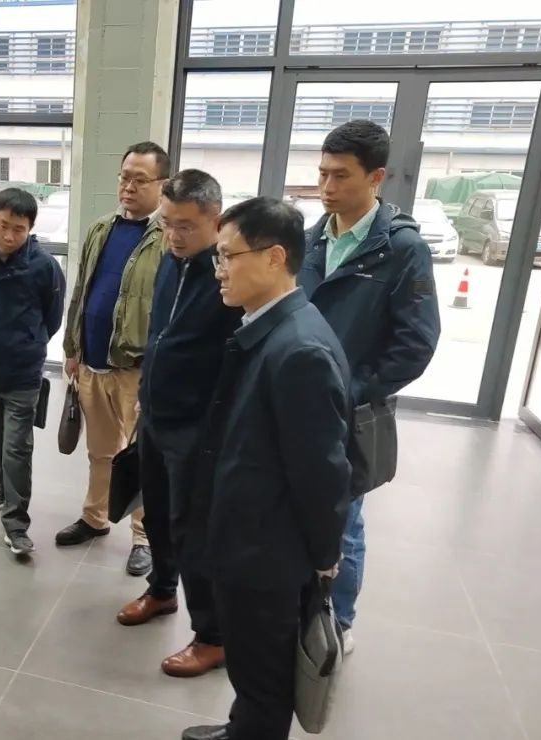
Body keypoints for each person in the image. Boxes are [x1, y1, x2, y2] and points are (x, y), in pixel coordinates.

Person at [180, 197, 352, 740]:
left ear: (275, 257)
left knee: (264, 672)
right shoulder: (270, 326)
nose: (219, 270)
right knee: (251, 661)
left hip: (266, 551)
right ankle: (243, 727)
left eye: (228, 256)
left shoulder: (299, 349)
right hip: (246, 533)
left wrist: (324, 555)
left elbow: (322, 471)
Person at [299, 120, 440, 654]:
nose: (327, 186)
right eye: (322, 173)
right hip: (295, 404)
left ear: (376, 177)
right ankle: (297, 605)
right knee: (296, 511)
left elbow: (415, 344)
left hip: (348, 413)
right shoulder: (312, 239)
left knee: (342, 520)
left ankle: (339, 620)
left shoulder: (402, 249)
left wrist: (353, 390)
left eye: (341, 175)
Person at [116, 170, 242, 678]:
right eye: (167, 223)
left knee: (195, 532)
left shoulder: (229, 274)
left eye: (186, 225)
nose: (173, 234)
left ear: (216, 220)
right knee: (157, 514)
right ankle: (162, 590)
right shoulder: (170, 261)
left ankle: (213, 636)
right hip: (156, 414)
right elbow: (160, 334)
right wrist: (145, 397)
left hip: (199, 426)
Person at [56, 141, 170, 576]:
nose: (128, 187)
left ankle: (145, 537)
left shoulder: (166, 238)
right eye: (124, 177)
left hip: (136, 369)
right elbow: (81, 290)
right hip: (92, 361)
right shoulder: (101, 228)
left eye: (140, 180)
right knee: (100, 451)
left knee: (141, 457)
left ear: (162, 184)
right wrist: (72, 348)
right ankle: (95, 517)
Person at [0, 188, 66, 557]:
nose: (9, 236)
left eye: (18, 229)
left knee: (16, 450)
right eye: (3, 225)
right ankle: (4, 489)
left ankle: (16, 525)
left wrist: (28, 342)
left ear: (30, 229)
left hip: (23, 375)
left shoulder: (44, 267)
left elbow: (53, 318)